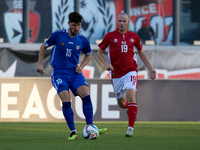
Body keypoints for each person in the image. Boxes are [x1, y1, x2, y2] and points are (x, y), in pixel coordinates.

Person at [36, 12, 107, 140]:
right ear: (68, 24)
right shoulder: (58, 35)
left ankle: (90, 126)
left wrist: (82, 66)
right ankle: (73, 132)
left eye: (79, 25)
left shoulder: (83, 40)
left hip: (74, 72)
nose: (76, 28)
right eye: (74, 25)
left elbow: (89, 54)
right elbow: (43, 47)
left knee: (85, 93)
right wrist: (40, 64)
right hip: (59, 72)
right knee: (66, 97)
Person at [97, 13, 156, 137]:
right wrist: (106, 64)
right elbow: (99, 52)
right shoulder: (110, 36)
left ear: (128, 23)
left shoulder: (134, 37)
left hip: (130, 70)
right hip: (116, 73)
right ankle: (131, 109)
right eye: (119, 21)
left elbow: (141, 53)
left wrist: (151, 69)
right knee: (122, 103)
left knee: (131, 95)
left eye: (124, 21)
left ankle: (130, 128)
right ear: (116, 22)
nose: (122, 23)